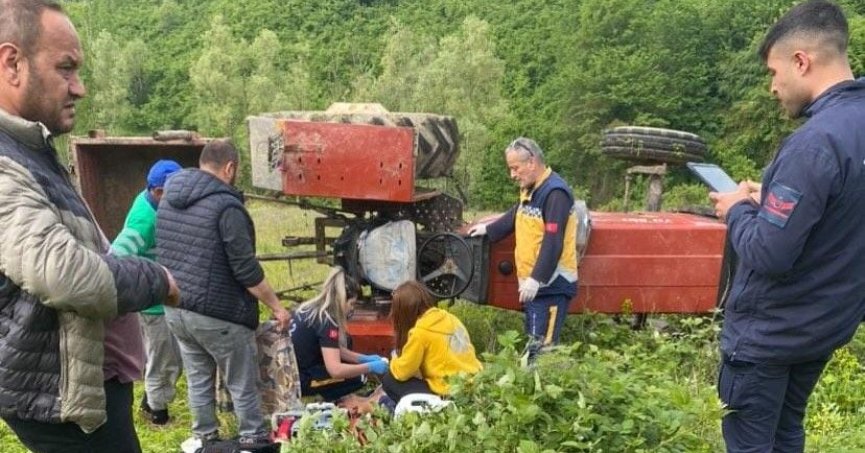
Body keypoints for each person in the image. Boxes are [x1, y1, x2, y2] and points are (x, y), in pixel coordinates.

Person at [0, 2, 180, 452]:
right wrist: (157, 279)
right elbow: (64, 272)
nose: (78, 88)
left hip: (84, 389)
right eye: (66, 69)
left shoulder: (29, 148)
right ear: (12, 64)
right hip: (60, 400)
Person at [709, 1, 865, 451]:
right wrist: (769, 195)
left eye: (774, 73)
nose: (772, 88)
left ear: (802, 61)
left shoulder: (814, 144)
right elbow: (842, 206)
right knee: (786, 434)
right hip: (820, 329)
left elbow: (767, 253)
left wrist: (737, 208)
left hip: (769, 337)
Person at [156, 138, 290, 446]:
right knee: (242, 382)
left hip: (177, 309)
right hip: (219, 315)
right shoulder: (226, 207)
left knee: (198, 378)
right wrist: (277, 307)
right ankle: (253, 439)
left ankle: (204, 438)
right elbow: (245, 270)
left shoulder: (169, 199)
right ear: (229, 168)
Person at [468, 137, 579, 362]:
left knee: (542, 348)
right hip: (534, 286)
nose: (512, 175)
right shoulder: (531, 189)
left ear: (532, 162)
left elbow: (553, 240)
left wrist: (537, 278)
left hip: (551, 285)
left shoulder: (555, 193)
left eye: (515, 168)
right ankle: (531, 383)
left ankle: (540, 387)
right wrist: (488, 230)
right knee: (533, 339)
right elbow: (517, 214)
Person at [111, 159, 184, 425]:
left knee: (170, 358)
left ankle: (150, 401)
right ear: (158, 192)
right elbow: (117, 256)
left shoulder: (156, 204)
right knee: (164, 360)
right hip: (153, 304)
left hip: (164, 299)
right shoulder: (144, 219)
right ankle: (158, 416)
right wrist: (146, 283)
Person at [290, 266, 389, 401]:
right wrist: (369, 367)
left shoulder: (311, 309)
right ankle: (325, 399)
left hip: (292, 371)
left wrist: (363, 358)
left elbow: (334, 349)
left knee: (350, 358)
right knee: (359, 378)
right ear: (342, 300)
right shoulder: (327, 321)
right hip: (300, 381)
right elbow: (335, 370)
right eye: (352, 304)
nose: (352, 308)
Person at [382, 281, 481, 403]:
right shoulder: (450, 318)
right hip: (473, 383)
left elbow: (403, 372)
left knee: (389, 380)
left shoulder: (420, 332)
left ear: (403, 312)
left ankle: (429, 409)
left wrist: (392, 362)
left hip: (448, 391)